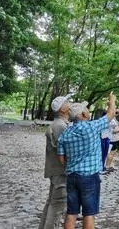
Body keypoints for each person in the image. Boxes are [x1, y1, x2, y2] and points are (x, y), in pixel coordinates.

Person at [57, 92, 116, 229]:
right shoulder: (92, 127)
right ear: (83, 115)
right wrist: (112, 101)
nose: (88, 111)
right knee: (89, 214)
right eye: (86, 109)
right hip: (89, 178)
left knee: (71, 213)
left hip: (72, 177)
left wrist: (72, 166)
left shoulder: (65, 134)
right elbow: (110, 114)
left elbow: (61, 159)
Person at [39, 94, 72, 229]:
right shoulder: (60, 126)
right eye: (68, 102)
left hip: (57, 171)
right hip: (61, 172)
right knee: (57, 205)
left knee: (52, 202)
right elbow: (66, 152)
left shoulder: (59, 124)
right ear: (63, 110)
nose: (71, 103)